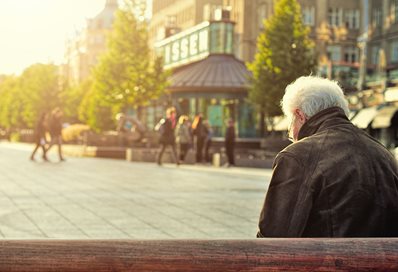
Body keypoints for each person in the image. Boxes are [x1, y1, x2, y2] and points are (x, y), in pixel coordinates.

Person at [257, 76, 398, 238]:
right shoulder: (384, 154)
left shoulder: (297, 156)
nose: (291, 134)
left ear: (300, 115)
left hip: (325, 262)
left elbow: (273, 237)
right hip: (384, 262)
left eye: (290, 124)